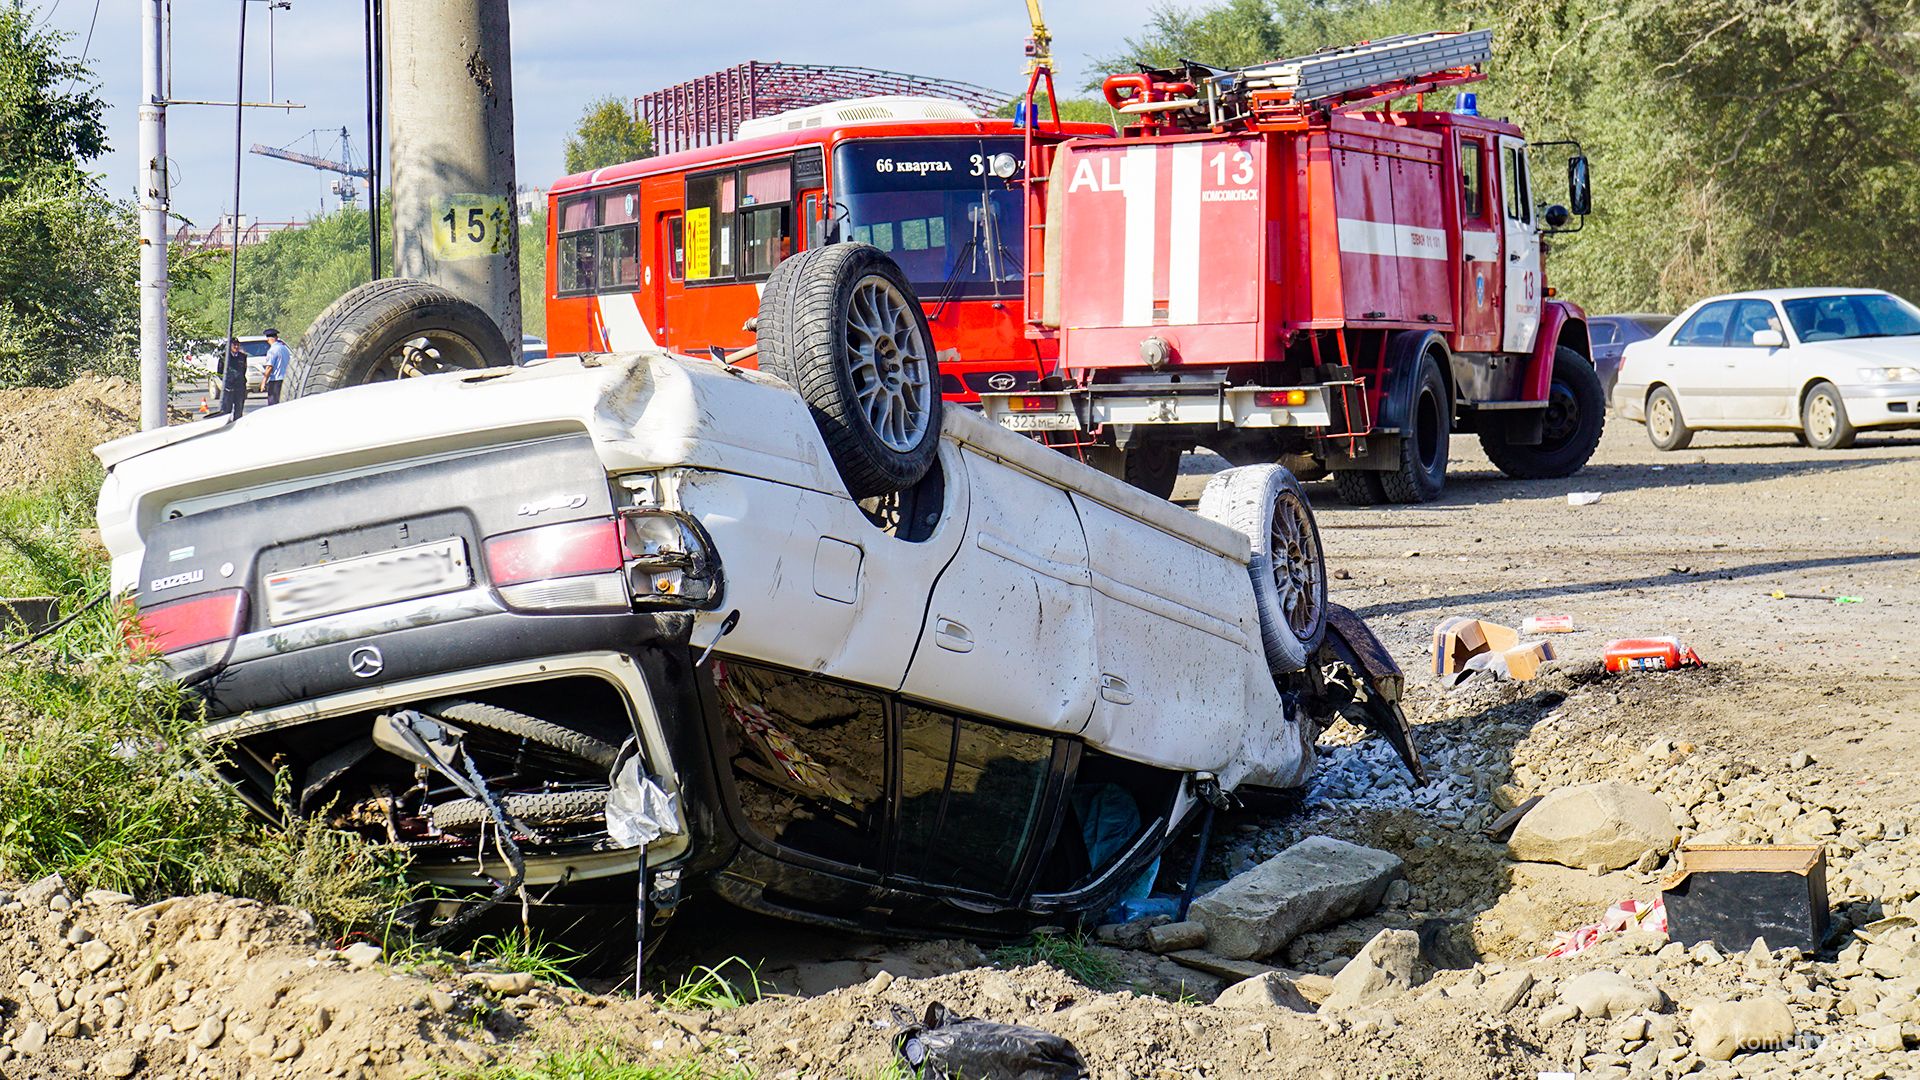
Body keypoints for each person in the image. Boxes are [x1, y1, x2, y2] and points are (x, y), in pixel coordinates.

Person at [213, 339, 249, 418]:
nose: (236, 347)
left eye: (237, 345)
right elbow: (220, 372)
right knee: (227, 410)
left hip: (240, 386)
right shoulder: (224, 357)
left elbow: (243, 370)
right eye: (234, 345)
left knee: (239, 409)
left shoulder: (243, 356)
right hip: (229, 386)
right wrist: (228, 379)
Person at [262, 328, 291, 405]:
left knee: (274, 404)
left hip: (275, 381)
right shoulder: (284, 348)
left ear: (268, 339)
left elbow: (269, 367)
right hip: (285, 380)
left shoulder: (272, 350)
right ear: (277, 338)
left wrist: (264, 382)